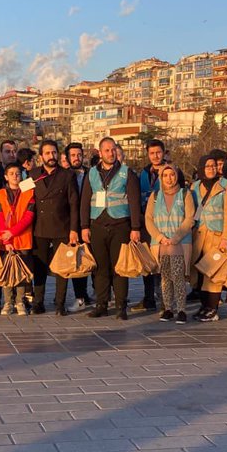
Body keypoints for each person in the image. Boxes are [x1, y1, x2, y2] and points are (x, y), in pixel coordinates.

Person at [80, 136, 142, 320]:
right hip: (97, 225)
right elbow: (85, 201)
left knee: (120, 268)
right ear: (100, 153)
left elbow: (134, 201)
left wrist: (135, 227)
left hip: (120, 225)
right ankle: (102, 304)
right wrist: (84, 226)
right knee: (100, 268)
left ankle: (121, 306)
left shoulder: (126, 173)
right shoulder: (91, 173)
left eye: (113, 149)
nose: (111, 153)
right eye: (107, 150)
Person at [27, 139, 79, 316]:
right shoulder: (32, 175)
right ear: (41, 156)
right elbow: (23, 199)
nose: (51, 156)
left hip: (62, 227)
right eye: (48, 153)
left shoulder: (67, 176)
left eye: (54, 152)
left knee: (62, 267)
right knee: (39, 267)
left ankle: (60, 303)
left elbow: (74, 204)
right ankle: (38, 303)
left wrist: (73, 230)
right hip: (39, 228)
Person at [191, 153, 227, 322]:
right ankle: (204, 305)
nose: (211, 169)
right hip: (199, 235)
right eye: (208, 166)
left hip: (217, 235)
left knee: (213, 273)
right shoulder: (195, 186)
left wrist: (226, 237)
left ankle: (212, 308)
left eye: (214, 166)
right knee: (200, 272)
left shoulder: (225, 185)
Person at [145, 163, 196, 323]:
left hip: (179, 243)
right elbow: (148, 219)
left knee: (178, 276)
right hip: (161, 244)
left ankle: (181, 310)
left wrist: (176, 237)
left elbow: (189, 218)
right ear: (161, 178)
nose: (169, 178)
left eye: (172, 175)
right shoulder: (155, 197)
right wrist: (160, 237)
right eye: (165, 175)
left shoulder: (185, 194)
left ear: (177, 176)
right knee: (165, 277)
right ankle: (168, 308)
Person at [135, 140, 180, 313]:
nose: (155, 156)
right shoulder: (144, 173)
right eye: (152, 153)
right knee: (148, 262)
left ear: (164, 153)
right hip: (147, 223)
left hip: (166, 224)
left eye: (158, 152)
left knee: (165, 263)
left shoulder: (172, 171)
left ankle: (166, 299)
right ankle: (149, 298)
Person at [0, 162, 35, 315]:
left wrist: (13, 232)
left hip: (23, 238)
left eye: (18, 173)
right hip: (6, 240)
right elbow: (0, 217)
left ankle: (20, 301)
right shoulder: (0, 194)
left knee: (21, 272)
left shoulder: (29, 192)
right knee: (8, 272)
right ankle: (8, 302)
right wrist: (7, 239)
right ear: (6, 177)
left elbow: (29, 216)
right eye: (11, 174)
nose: (15, 176)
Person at [64, 142, 91, 309]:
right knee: (77, 261)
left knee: (93, 260)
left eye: (79, 155)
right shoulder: (63, 175)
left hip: (90, 222)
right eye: (73, 155)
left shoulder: (91, 174)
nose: (76, 158)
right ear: (67, 158)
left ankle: (100, 294)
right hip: (71, 224)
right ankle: (80, 296)